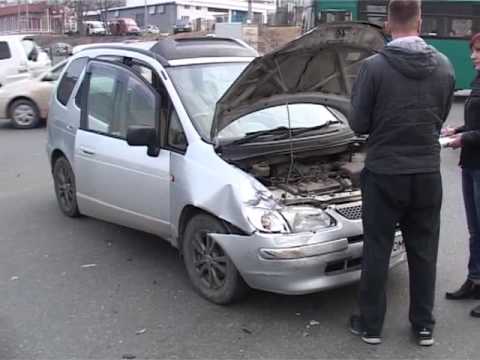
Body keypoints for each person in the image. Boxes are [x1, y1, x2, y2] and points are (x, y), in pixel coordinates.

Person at [347, 0, 455, 346]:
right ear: (420, 21)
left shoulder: (372, 68)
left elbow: (359, 123)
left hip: (384, 173)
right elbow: (440, 115)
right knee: (424, 251)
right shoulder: (445, 65)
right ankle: (423, 326)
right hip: (426, 172)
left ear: (388, 24)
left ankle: (370, 325)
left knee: (377, 249)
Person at [442, 32, 480, 318]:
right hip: (471, 164)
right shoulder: (478, 81)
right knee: (474, 229)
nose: (473, 56)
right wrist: (456, 130)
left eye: (478, 51)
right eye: (473, 51)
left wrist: (464, 138)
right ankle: (475, 280)